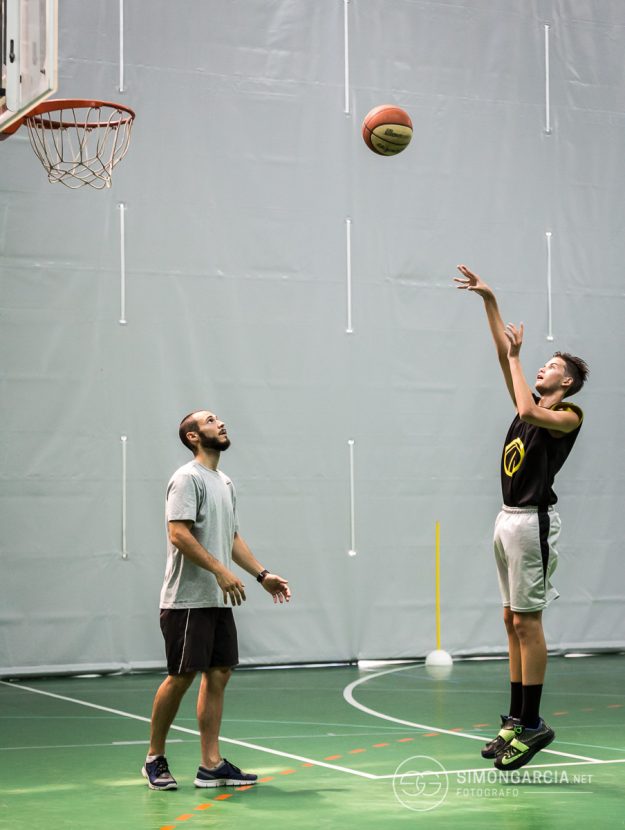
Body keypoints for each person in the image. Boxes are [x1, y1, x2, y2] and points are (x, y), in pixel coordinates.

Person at [455, 264, 588, 772]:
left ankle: (533, 724)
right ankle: (514, 719)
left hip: (533, 522)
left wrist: (514, 357)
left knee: (528, 622)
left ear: (567, 381)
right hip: (506, 519)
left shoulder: (567, 416)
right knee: (510, 620)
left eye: (551, 364)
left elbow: (532, 413)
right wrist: (490, 299)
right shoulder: (525, 402)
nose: (541, 366)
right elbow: (501, 353)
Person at [142, 409, 291, 790]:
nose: (220, 423)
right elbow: (178, 534)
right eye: (210, 420)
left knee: (219, 673)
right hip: (187, 600)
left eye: (219, 419)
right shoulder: (187, 478)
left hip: (218, 599)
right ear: (193, 436)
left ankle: (210, 764)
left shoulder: (224, 482)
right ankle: (154, 758)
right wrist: (221, 572)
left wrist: (261, 575)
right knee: (181, 676)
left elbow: (232, 538)